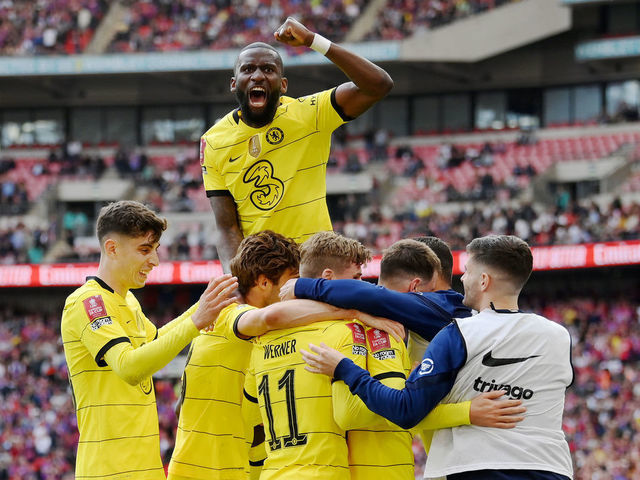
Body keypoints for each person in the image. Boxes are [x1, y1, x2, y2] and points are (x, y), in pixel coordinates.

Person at [303, 235, 574, 480]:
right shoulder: (560, 336)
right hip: (553, 467)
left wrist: (344, 369)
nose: (462, 280)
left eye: (466, 271)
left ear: (483, 281)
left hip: (480, 467)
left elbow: (404, 410)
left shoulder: (459, 333)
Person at [168, 230, 400, 480]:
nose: (295, 291)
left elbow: (231, 413)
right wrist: (353, 310)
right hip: (215, 471)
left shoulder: (260, 338)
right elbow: (271, 317)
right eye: (292, 282)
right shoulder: (232, 315)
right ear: (264, 283)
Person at [61, 200, 238, 480]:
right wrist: (195, 321)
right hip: (109, 471)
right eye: (144, 250)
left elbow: (156, 343)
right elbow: (129, 367)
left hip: (145, 470)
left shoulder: (127, 301)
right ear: (112, 248)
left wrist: (204, 305)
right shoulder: (87, 302)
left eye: (155, 250)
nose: (154, 261)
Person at [201, 16, 393, 272]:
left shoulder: (310, 114)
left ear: (283, 85)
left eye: (268, 69)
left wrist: (313, 41)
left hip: (316, 264)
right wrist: (237, 280)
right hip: (263, 272)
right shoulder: (213, 142)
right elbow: (226, 228)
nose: (258, 75)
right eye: (248, 69)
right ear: (234, 84)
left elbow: (378, 85)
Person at [280, 236, 472, 350]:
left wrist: (303, 286)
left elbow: (372, 297)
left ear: (414, 288)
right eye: (357, 278)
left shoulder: (442, 308)